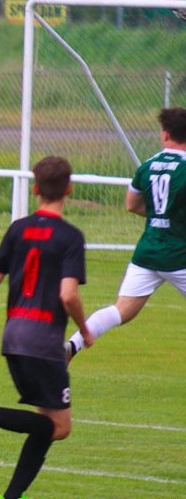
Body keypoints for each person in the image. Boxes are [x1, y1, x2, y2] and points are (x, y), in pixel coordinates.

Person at [0, 156, 95, 499]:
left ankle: (11, 498)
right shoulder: (71, 237)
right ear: (70, 189)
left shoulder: (18, 229)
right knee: (59, 428)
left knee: (47, 424)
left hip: (13, 337)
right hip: (44, 342)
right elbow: (68, 295)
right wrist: (86, 330)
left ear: (34, 189)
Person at [66, 107, 186, 361]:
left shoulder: (148, 166)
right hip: (179, 255)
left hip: (148, 253)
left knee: (121, 310)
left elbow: (131, 204)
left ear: (165, 135)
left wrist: (159, 217)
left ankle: (72, 344)